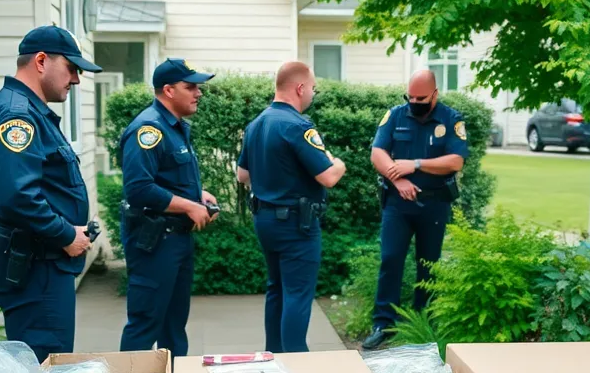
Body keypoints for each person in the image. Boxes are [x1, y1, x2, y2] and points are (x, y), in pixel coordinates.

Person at [0, 25, 101, 363]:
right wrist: (64, 235)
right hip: (35, 260)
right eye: (72, 68)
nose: (76, 79)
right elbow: (18, 196)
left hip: (39, 257)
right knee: (44, 367)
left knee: (43, 361)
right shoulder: (17, 115)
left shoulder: (29, 111)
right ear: (42, 61)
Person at [236, 61, 346, 353]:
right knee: (297, 294)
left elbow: (242, 176)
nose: (312, 93)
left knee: (277, 289)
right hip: (297, 224)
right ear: (300, 88)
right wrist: (339, 162)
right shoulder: (298, 126)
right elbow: (328, 176)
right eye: (312, 88)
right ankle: (297, 360)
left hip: (266, 220)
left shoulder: (256, 124)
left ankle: (273, 355)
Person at [118, 58, 219, 356]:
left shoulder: (172, 127)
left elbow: (166, 177)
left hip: (175, 240)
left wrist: (198, 194)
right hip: (155, 243)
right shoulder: (149, 129)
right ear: (168, 90)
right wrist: (188, 206)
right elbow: (138, 189)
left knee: (174, 326)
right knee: (145, 324)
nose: (198, 93)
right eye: (190, 87)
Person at [362, 70, 468, 350]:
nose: (414, 102)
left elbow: (456, 161)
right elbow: (377, 153)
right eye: (410, 96)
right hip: (398, 203)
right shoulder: (395, 115)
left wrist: (416, 164)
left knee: (429, 263)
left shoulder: (451, 119)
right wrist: (398, 178)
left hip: (434, 203)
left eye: (420, 97)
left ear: (434, 94)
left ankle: (423, 322)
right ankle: (383, 323)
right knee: (391, 259)